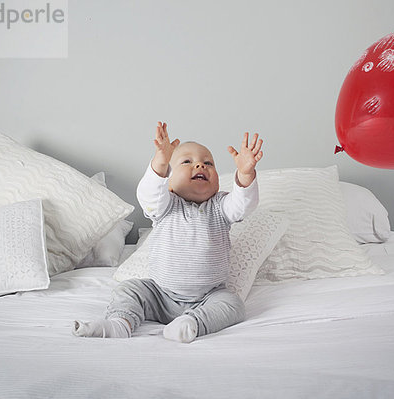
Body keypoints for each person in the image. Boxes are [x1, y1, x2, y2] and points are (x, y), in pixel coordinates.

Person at [73, 122, 264, 342]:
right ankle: (120, 323)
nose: (200, 166)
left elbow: (243, 204)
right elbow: (149, 194)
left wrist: (246, 174)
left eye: (208, 163)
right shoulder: (165, 205)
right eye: (187, 162)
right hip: (159, 295)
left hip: (209, 296)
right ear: (169, 183)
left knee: (234, 304)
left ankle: (192, 323)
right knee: (129, 289)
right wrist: (161, 162)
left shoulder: (220, 207)